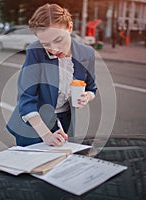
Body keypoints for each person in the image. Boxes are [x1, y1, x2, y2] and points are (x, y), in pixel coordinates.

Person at [6, 3, 97, 147]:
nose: (54, 49)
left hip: (64, 123)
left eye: (58, 40)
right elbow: (26, 99)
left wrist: (86, 97)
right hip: (34, 125)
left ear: (70, 27)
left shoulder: (87, 53)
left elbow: (92, 88)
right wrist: (46, 135)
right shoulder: (35, 52)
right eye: (46, 44)